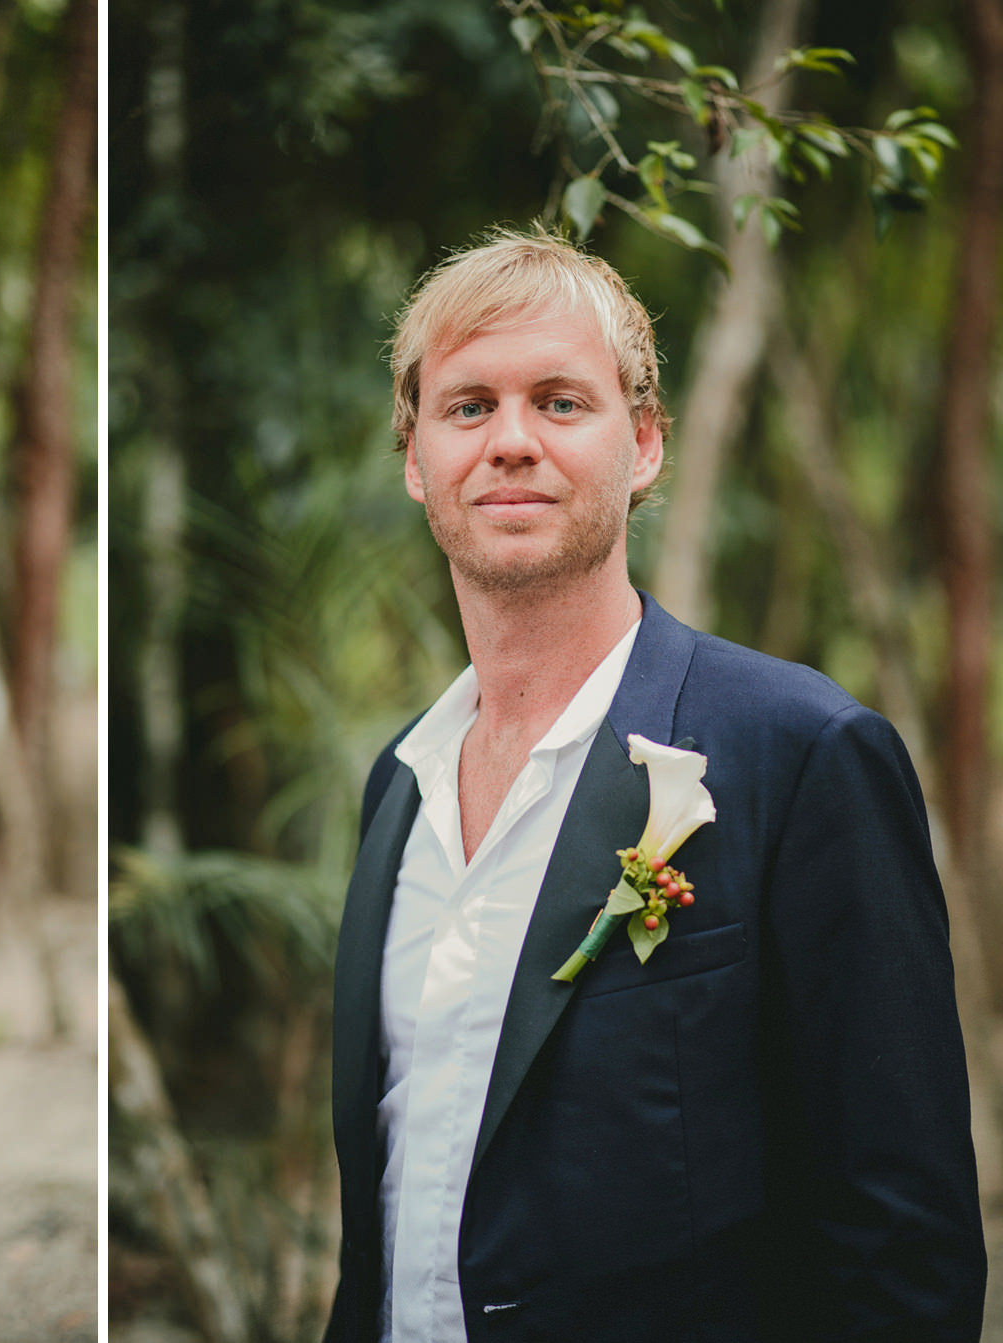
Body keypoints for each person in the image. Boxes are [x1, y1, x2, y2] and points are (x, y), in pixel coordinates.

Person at [324, 226, 985, 1342]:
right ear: (413, 456)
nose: (512, 441)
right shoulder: (401, 786)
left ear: (643, 446)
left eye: (561, 402)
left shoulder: (805, 753)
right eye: (469, 405)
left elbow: (902, 1232)